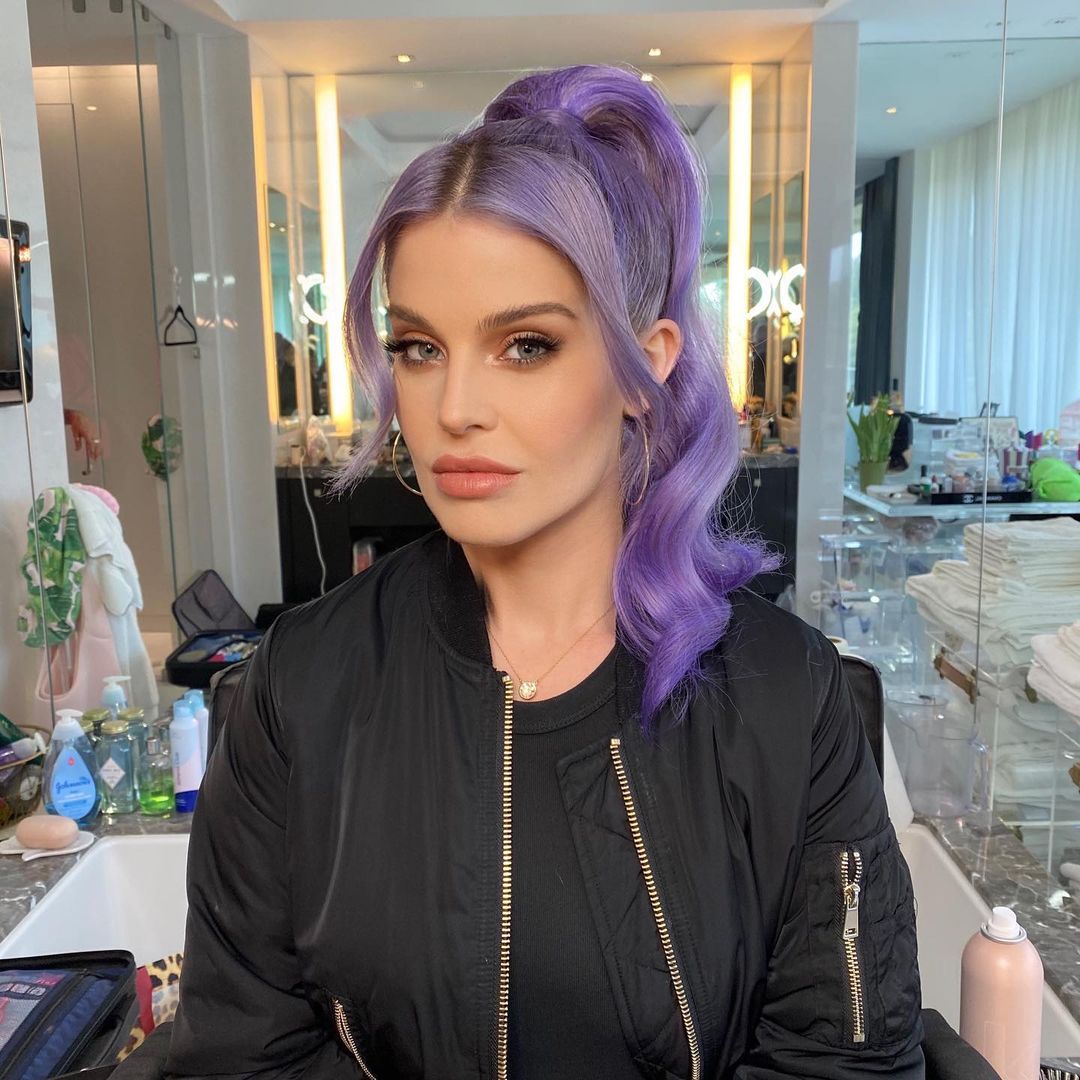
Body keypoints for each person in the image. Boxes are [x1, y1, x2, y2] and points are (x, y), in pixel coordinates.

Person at [161, 65, 923, 1079]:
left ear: (645, 366)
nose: (454, 408)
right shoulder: (300, 686)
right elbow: (243, 1052)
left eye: (525, 345)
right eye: (418, 347)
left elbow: (846, 1061)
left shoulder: (792, 700)